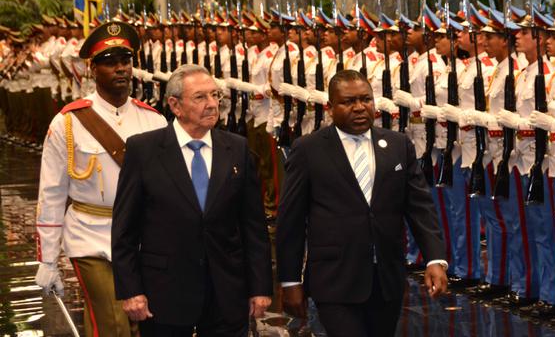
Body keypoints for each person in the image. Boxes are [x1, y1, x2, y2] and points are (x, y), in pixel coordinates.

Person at [276, 69, 448, 337]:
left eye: (366, 99)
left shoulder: (397, 145)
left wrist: (435, 259)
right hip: (334, 279)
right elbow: (291, 222)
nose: (359, 108)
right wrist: (290, 281)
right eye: (348, 102)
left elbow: (419, 208)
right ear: (330, 107)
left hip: (386, 279)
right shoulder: (308, 150)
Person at [111, 64, 272, 336]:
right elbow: (124, 230)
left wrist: (260, 287)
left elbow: (253, 227)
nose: (212, 105)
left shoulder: (236, 148)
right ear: (175, 105)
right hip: (165, 294)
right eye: (200, 97)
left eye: (215, 95)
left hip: (226, 293)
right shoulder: (144, 150)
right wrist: (131, 290)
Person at [34, 21, 167, 337]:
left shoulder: (154, 120)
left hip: (143, 235)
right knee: (113, 323)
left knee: (149, 321)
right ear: (92, 69)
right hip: (92, 235)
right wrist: (48, 260)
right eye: (109, 62)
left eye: (125, 61)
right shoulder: (68, 122)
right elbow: (51, 194)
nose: (120, 69)